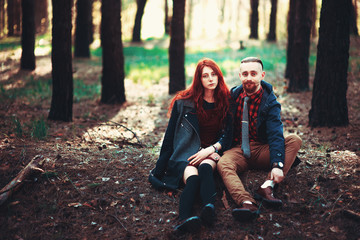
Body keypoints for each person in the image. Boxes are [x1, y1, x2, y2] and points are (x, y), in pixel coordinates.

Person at [148, 58, 232, 233]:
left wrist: (212, 149)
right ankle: (184, 220)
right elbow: (170, 138)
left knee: (206, 169)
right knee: (192, 179)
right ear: (199, 79)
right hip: (187, 154)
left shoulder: (226, 101)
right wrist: (159, 170)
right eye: (205, 76)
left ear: (219, 76)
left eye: (213, 74)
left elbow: (229, 135)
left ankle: (209, 209)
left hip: (211, 152)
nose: (210, 79)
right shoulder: (183, 103)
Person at [217, 56, 302, 222]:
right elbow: (223, 127)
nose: (249, 77)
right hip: (238, 149)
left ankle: (267, 187)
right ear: (240, 75)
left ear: (262, 75)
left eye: (253, 73)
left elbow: (276, 133)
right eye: (245, 73)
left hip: (263, 148)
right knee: (223, 163)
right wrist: (215, 148)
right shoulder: (232, 98)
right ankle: (247, 202)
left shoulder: (270, 102)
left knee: (294, 140)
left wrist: (277, 164)